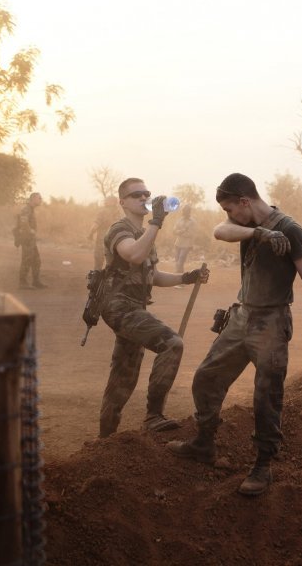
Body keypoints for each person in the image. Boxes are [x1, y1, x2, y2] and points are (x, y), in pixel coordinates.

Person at [167, 172, 302, 496]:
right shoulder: (246, 228)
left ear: (245, 201)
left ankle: (263, 465)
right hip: (242, 315)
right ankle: (204, 444)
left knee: (266, 395)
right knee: (206, 377)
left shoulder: (290, 228)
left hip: (271, 321)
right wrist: (259, 233)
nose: (228, 215)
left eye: (231, 208)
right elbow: (220, 230)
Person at [99, 177, 210, 438]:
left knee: (123, 376)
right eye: (135, 195)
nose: (142, 198)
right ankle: (153, 415)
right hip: (118, 305)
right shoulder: (120, 229)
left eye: (145, 194)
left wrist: (186, 277)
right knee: (172, 343)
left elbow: (153, 276)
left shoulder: (145, 234)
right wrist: (156, 222)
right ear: (122, 202)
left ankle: (104, 439)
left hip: (135, 307)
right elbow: (133, 255)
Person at [16, 192, 47, 289]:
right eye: (39, 198)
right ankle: (23, 283)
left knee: (36, 260)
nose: (40, 200)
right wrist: (31, 231)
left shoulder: (30, 209)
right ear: (33, 199)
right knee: (27, 260)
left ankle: (35, 281)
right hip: (27, 239)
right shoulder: (26, 209)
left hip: (30, 239)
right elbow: (23, 221)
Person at [88, 195, 121, 270]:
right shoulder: (118, 213)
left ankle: (96, 279)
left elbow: (95, 225)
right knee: (111, 263)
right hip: (115, 241)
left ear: (110, 202)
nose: (105, 202)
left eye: (106, 200)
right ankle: (110, 279)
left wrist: (90, 234)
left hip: (102, 240)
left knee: (98, 262)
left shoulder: (102, 212)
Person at [172, 205, 196, 273]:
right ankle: (181, 278)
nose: (184, 212)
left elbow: (191, 234)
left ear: (189, 212)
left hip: (186, 244)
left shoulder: (192, 222)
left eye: (186, 211)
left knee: (180, 260)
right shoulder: (179, 220)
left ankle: (177, 276)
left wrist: (179, 232)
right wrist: (182, 231)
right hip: (178, 243)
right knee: (178, 261)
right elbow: (174, 230)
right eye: (184, 211)